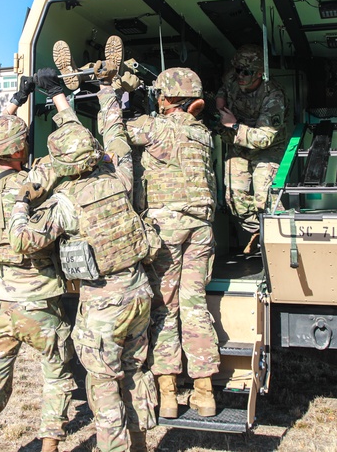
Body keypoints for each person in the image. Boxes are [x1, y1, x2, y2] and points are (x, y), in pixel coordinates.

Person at [7, 64, 158, 452]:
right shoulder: (117, 176)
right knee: (134, 370)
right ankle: (140, 441)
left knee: (103, 382)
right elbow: (114, 136)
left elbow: (23, 241)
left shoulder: (65, 202)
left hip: (102, 302)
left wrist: (23, 202)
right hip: (139, 291)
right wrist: (75, 97)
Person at [0, 77, 74, 452]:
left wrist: (16, 100)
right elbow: (75, 146)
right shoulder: (35, 184)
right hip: (39, 301)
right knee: (56, 373)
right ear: (22, 148)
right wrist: (58, 98)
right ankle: (50, 443)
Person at [94, 65, 220, 419]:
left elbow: (114, 134)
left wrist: (111, 94)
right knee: (196, 307)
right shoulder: (202, 133)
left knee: (166, 307)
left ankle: (168, 393)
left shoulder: (154, 126)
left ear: (164, 98)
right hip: (202, 227)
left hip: (167, 228)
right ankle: (204, 392)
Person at [215, 44, 287, 253]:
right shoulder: (233, 77)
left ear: (260, 73)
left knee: (265, 196)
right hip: (238, 144)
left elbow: (264, 138)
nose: (240, 76)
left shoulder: (273, 96)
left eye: (246, 72)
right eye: (238, 70)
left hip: (266, 146)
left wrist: (235, 125)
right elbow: (224, 86)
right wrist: (220, 99)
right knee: (235, 200)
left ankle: (278, 243)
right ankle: (260, 232)